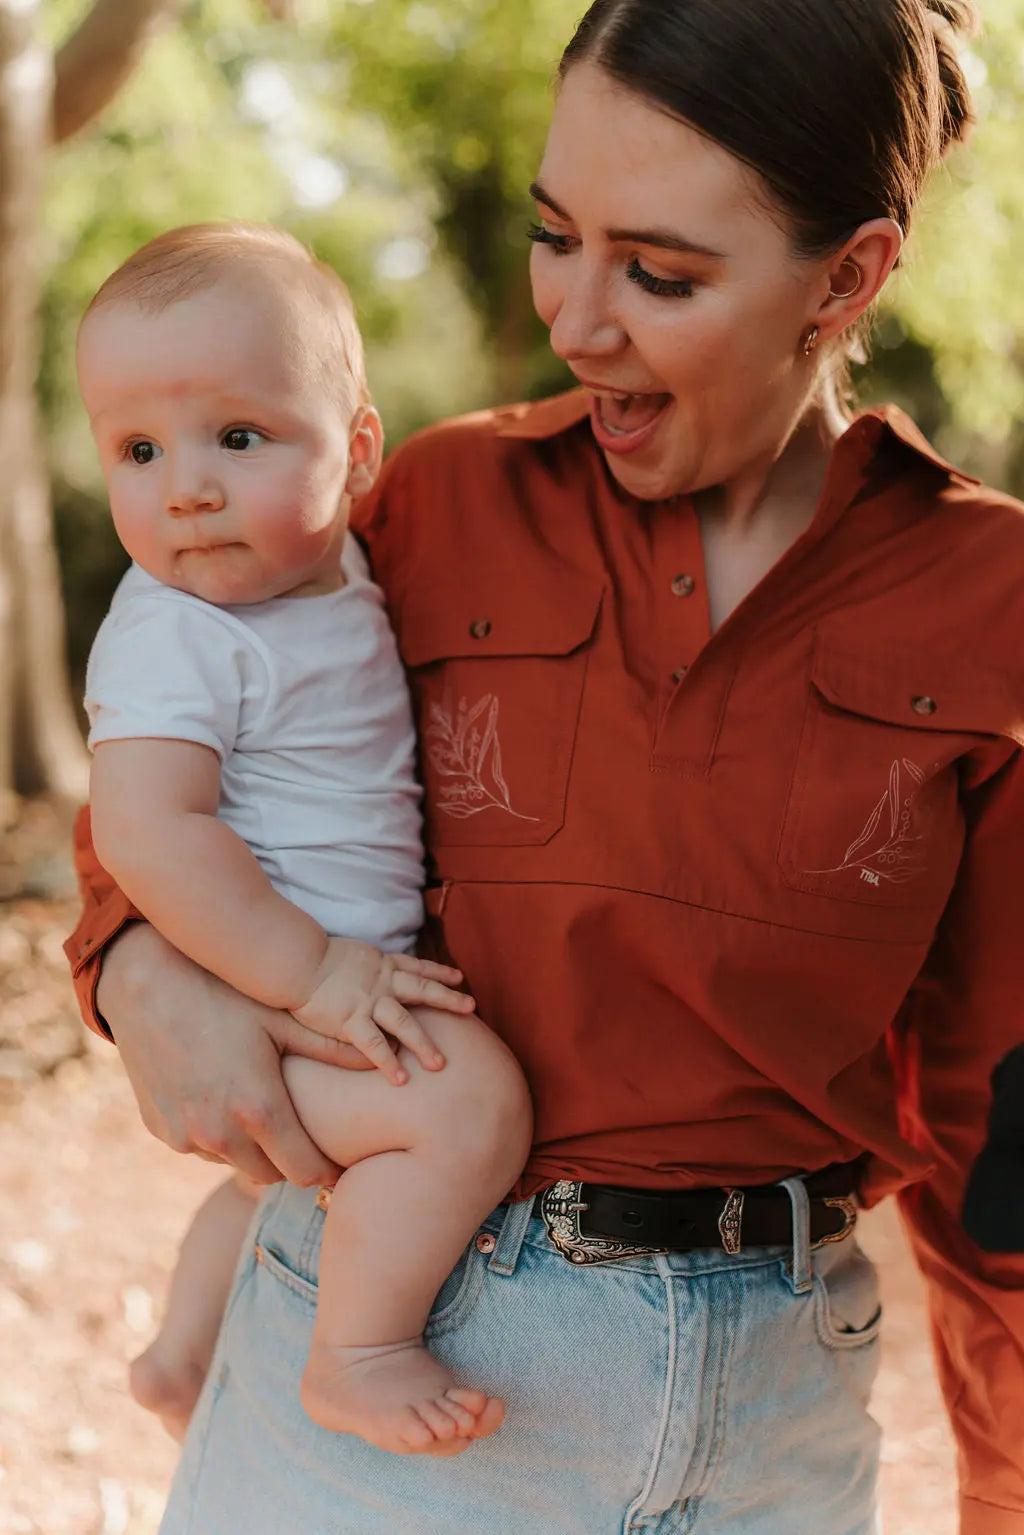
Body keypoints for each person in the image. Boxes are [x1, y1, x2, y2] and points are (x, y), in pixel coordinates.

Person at [64, 1, 1024, 1530]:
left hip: (780, 1420)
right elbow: (177, 776)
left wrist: (1008, 1482)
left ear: (847, 276)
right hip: (401, 1363)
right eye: (552, 234)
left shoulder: (993, 603)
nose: (578, 320)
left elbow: (1003, 1123)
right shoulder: (433, 505)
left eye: (657, 272)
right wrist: (135, 975)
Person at [76, 223, 530, 1454]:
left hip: (313, 968)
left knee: (257, 1179)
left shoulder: (338, 578)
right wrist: (315, 974)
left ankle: (180, 1355)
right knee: (466, 1103)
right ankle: (359, 1349)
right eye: (137, 448)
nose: (186, 485)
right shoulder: (179, 629)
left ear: (358, 451)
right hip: (277, 982)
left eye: (237, 436)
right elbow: (142, 827)